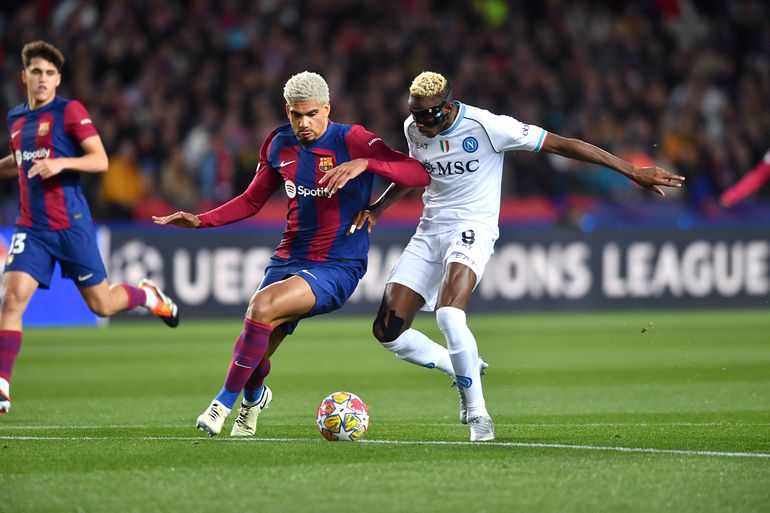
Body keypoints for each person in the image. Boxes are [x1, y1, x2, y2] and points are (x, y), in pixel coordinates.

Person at [334, 71, 685, 441]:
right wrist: (378, 207)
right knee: (387, 331)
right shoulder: (415, 128)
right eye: (415, 114)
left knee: (450, 315)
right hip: (430, 229)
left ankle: (478, 416)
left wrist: (631, 170)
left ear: (448, 107)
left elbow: (562, 145)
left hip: (473, 227)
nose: (420, 123)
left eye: (426, 116)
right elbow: (415, 172)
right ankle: (461, 366)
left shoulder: (489, 127)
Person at [152, 71, 429, 437]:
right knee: (255, 351)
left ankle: (221, 405)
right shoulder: (278, 144)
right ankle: (254, 400)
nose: (304, 123)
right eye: (296, 115)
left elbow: (417, 173)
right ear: (287, 111)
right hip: (288, 257)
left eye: (311, 114)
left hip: (337, 264)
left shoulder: (353, 140)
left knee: (261, 306)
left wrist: (366, 164)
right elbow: (251, 200)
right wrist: (201, 220)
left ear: (327, 108)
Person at [0, 41, 179, 415]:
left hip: (71, 226)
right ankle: (2, 384)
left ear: (58, 79)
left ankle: (147, 295)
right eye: (36, 72)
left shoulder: (69, 112)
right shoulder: (16, 118)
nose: (43, 78)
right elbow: (19, 161)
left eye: (50, 73)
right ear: (24, 76)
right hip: (31, 228)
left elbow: (100, 160)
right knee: (12, 299)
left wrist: (61, 164)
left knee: (102, 304)